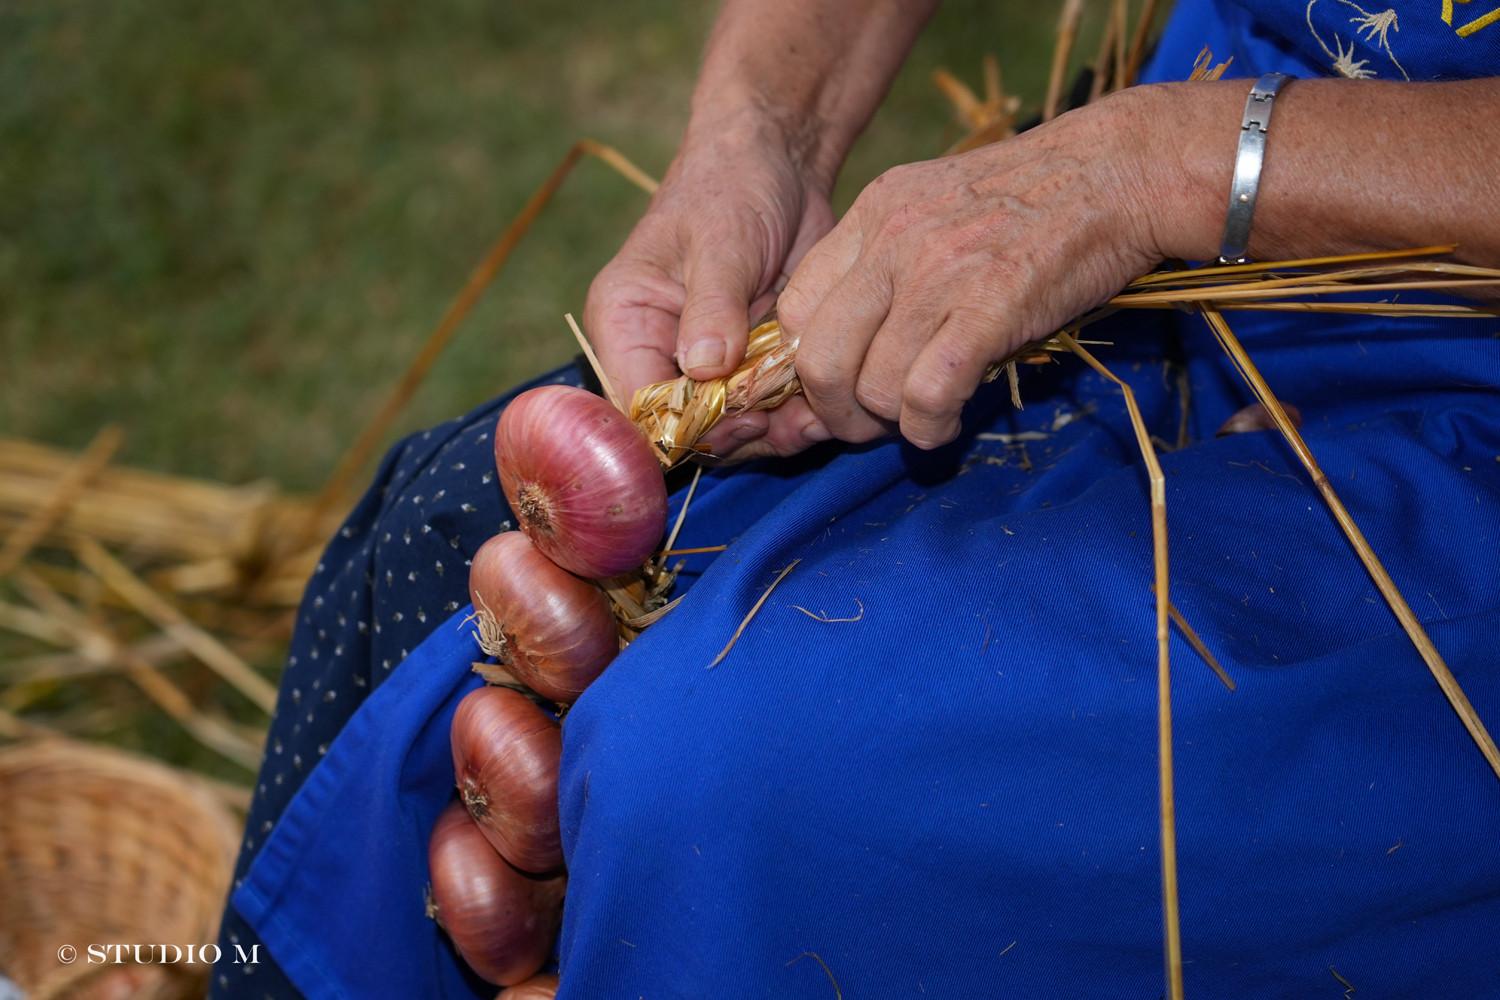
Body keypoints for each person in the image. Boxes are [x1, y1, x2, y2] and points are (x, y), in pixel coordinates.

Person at [211, 1, 1500, 997]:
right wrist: (759, 129)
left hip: (1448, 443)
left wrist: (1150, 170)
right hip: (1151, 299)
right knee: (456, 537)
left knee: (718, 774)